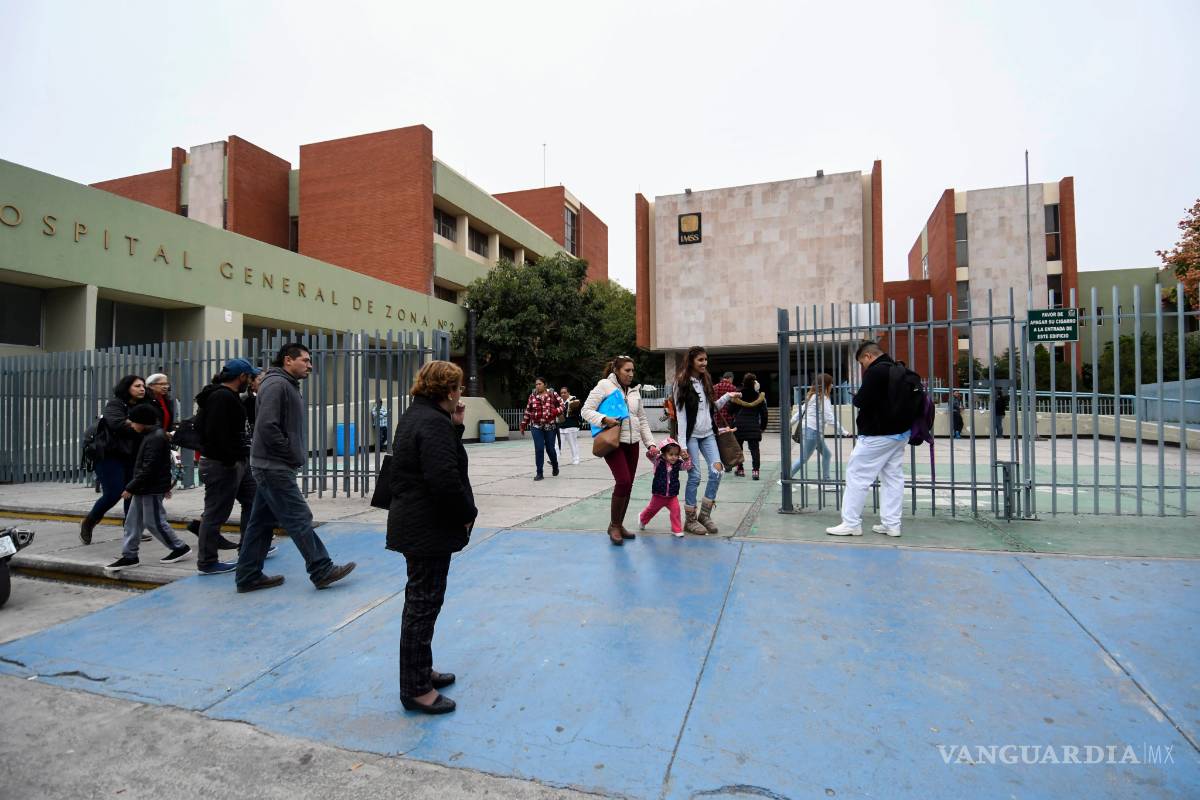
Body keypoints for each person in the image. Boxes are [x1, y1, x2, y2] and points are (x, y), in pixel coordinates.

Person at [387, 360, 476, 715]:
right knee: (422, 605)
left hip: (416, 523)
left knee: (422, 602)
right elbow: (444, 480)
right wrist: (467, 516)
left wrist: (454, 426)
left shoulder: (418, 416)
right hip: (427, 527)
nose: (460, 394)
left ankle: (421, 670)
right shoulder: (431, 423)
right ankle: (415, 688)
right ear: (449, 390)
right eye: (458, 388)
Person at [235, 342, 356, 593]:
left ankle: (248, 575)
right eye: (305, 360)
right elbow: (267, 426)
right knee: (299, 517)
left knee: (260, 522)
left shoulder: (283, 384)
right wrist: (290, 453)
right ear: (288, 360)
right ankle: (321, 569)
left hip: (272, 464)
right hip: (274, 466)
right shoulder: (277, 384)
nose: (310, 365)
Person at [193, 358, 276, 576]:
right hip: (223, 464)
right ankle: (207, 561)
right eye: (249, 376)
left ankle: (249, 547)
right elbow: (215, 433)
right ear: (242, 377)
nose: (251, 380)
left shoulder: (226, 396)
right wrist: (231, 459)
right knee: (215, 513)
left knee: (252, 501)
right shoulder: (221, 397)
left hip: (235, 462)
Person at [826, 342, 912, 538]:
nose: (863, 367)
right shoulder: (899, 369)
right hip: (900, 434)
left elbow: (861, 401)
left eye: (862, 363)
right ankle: (892, 524)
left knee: (857, 475)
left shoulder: (876, 372)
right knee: (892, 478)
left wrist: (857, 398)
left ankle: (851, 523)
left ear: (868, 357)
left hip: (877, 434)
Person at [103, 404, 191, 572]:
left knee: (154, 522)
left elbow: (150, 467)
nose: (131, 424)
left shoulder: (155, 438)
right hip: (145, 487)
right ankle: (129, 556)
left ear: (142, 422)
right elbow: (157, 465)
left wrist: (131, 487)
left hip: (150, 487)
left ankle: (180, 548)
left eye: (133, 421)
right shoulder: (151, 435)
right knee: (133, 523)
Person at [581, 356, 657, 546]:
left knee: (629, 484)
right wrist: (605, 419)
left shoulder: (634, 391)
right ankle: (614, 526)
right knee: (622, 481)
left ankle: (618, 524)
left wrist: (651, 444)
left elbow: (642, 419)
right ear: (616, 369)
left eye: (633, 371)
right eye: (627, 371)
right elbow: (586, 410)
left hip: (633, 443)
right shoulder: (604, 386)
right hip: (614, 442)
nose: (631, 374)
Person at [673, 347, 738, 535]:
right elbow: (681, 414)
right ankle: (690, 520)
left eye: (706, 360)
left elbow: (711, 408)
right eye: (700, 360)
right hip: (691, 436)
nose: (704, 363)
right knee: (695, 476)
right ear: (691, 361)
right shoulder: (681, 382)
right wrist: (682, 445)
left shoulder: (706, 380)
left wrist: (727, 396)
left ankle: (705, 515)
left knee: (717, 472)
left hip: (708, 434)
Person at [79, 374, 147, 545]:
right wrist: (140, 426)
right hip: (109, 454)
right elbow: (117, 424)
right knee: (114, 492)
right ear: (127, 388)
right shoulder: (115, 404)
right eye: (137, 386)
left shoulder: (141, 405)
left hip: (131, 455)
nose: (142, 389)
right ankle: (89, 521)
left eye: (143, 386)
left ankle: (130, 528)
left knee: (132, 491)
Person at [790, 373, 848, 486]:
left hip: (810, 430)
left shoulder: (812, 396)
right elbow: (829, 418)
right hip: (813, 431)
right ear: (826, 384)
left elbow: (800, 412)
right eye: (831, 383)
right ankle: (785, 478)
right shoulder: (823, 398)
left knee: (826, 454)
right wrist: (843, 431)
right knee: (804, 458)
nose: (832, 385)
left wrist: (790, 423)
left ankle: (826, 481)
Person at [638, 437, 692, 537]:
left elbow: (687, 467)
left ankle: (676, 529)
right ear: (663, 453)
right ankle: (642, 518)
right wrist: (654, 451)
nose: (674, 457)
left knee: (676, 510)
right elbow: (649, 455)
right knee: (651, 510)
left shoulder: (678, 463)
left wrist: (687, 458)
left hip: (672, 495)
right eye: (671, 454)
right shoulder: (658, 460)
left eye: (676, 455)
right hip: (659, 494)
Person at [519, 378, 563, 481]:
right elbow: (528, 411)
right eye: (536, 384)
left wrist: (555, 411)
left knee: (550, 449)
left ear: (545, 385)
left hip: (550, 426)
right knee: (539, 449)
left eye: (540, 384)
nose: (537, 386)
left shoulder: (553, 394)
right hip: (536, 426)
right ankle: (539, 473)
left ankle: (555, 465)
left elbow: (563, 405)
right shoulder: (532, 396)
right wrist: (523, 425)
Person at [729, 372, 769, 480]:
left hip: (739, 425)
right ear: (754, 383)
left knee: (739, 449)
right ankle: (755, 471)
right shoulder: (759, 396)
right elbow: (764, 414)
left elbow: (730, 410)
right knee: (754, 450)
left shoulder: (738, 394)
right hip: (753, 426)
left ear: (744, 382)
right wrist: (762, 427)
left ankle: (740, 469)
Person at [557, 387, 583, 466]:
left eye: (565, 392)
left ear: (568, 393)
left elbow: (578, 411)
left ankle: (576, 459)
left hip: (571, 426)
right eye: (561, 393)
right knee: (558, 445)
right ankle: (555, 460)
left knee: (573, 444)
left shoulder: (574, 401)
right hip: (561, 427)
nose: (563, 394)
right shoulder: (559, 402)